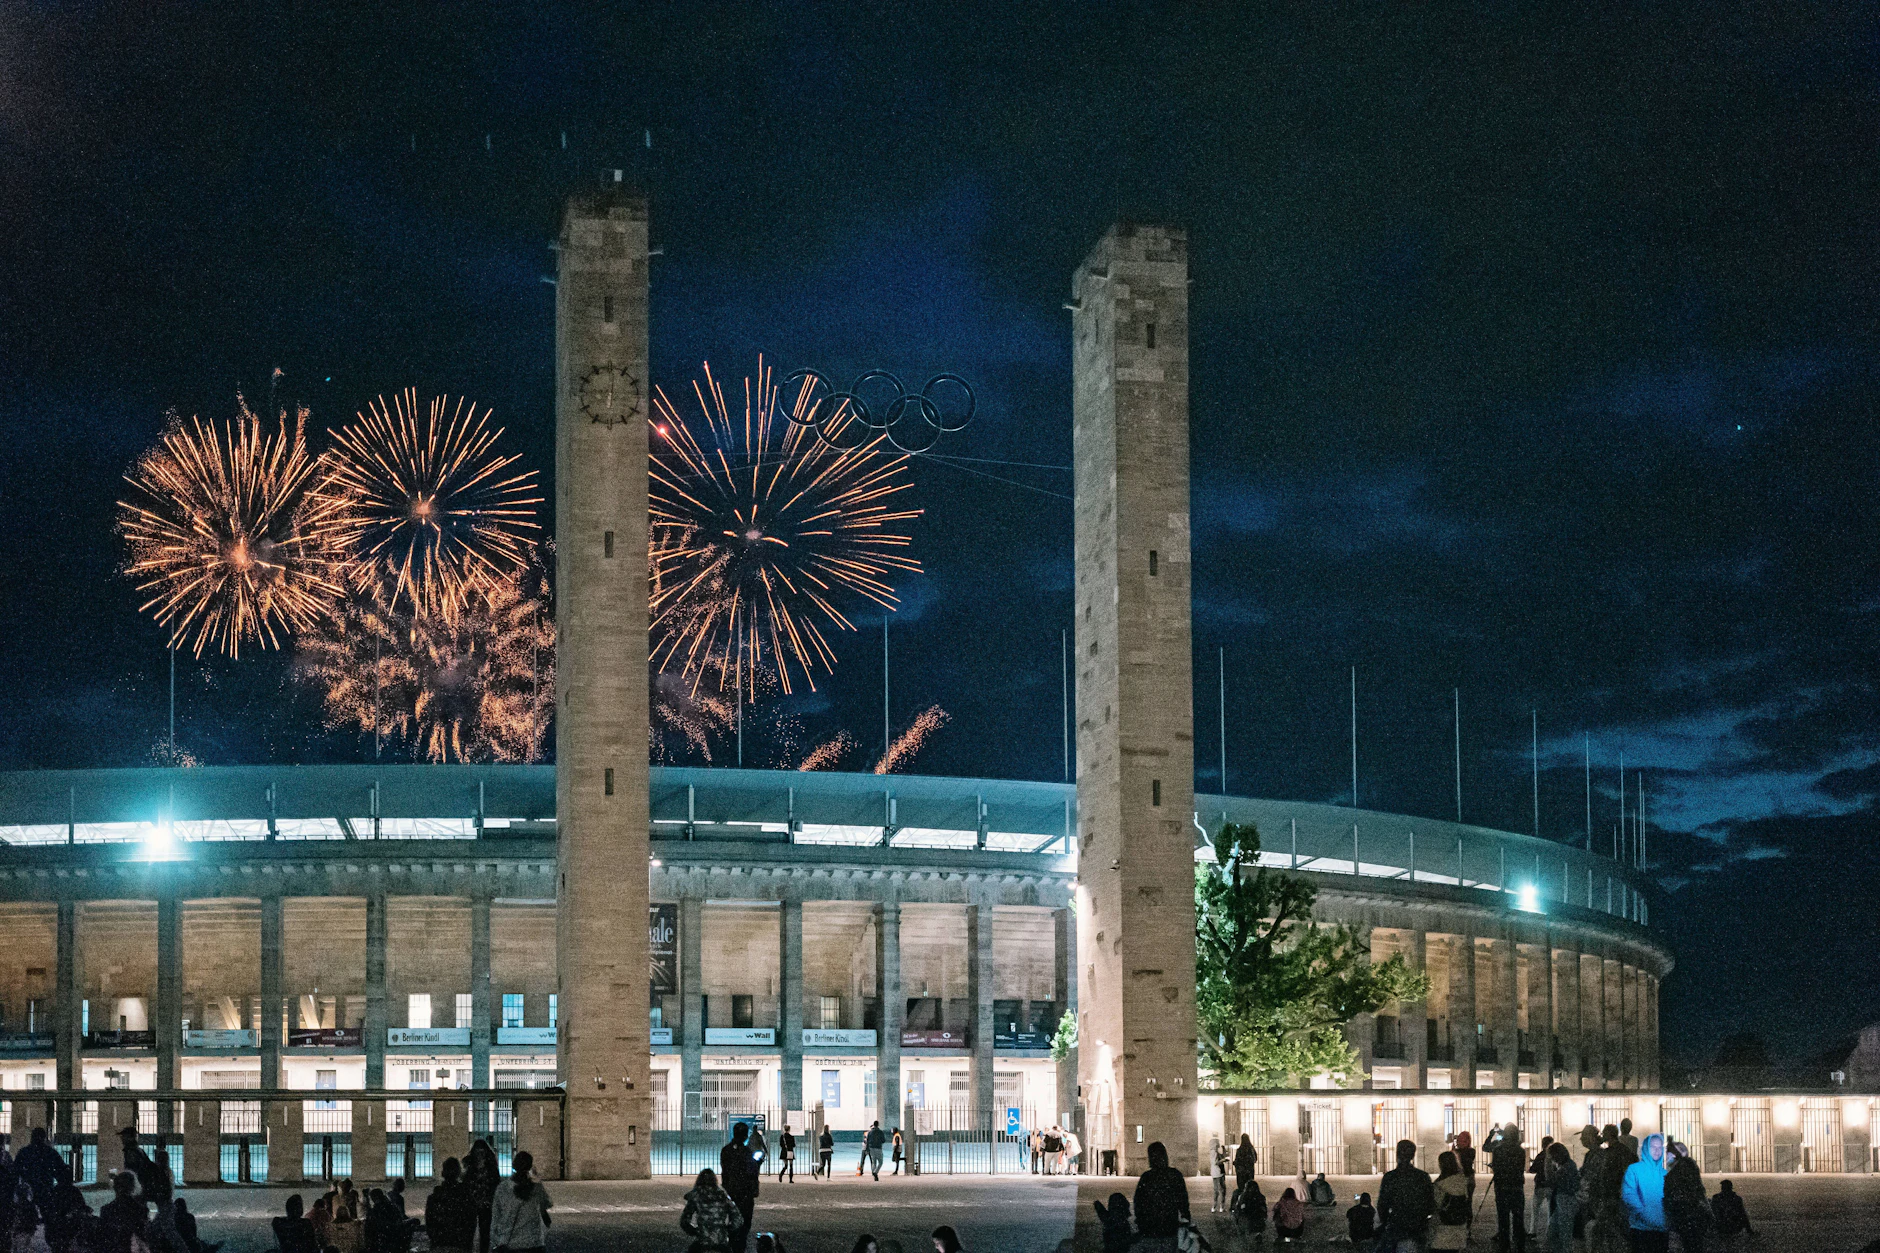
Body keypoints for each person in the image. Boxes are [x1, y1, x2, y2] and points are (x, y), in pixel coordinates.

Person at [1377, 1138, 1436, 1252]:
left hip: (1397, 1223)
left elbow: (1382, 1204)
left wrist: (1385, 1222)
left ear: (1397, 1154)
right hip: (1417, 1224)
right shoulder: (1423, 1176)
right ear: (1413, 1156)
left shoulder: (1390, 1177)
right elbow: (1430, 1203)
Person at [488, 1151, 551, 1253]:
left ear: (513, 1165)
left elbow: (496, 1216)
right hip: (533, 1242)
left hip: (510, 1243)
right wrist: (537, 1178)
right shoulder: (537, 1188)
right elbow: (547, 1204)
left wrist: (496, 1240)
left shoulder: (503, 1188)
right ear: (530, 1166)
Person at [1132, 1141, 1191, 1247]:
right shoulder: (1175, 1175)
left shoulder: (1146, 1178)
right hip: (1170, 1228)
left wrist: (1141, 1224)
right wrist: (1186, 1220)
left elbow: (1138, 1203)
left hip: (1149, 1231)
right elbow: (1183, 1202)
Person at [1620, 1133, 1669, 1253]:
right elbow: (1629, 1195)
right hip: (1641, 1229)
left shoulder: (1665, 1174)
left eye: (1660, 1147)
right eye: (1653, 1147)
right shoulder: (1634, 1170)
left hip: (1661, 1230)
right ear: (1646, 1148)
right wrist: (1646, 1215)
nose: (1657, 1151)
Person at [1486, 1122, 1528, 1253]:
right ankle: (1519, 1244)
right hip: (1516, 1186)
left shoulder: (1498, 1149)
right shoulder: (1520, 1151)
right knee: (1518, 1217)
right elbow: (1520, 1168)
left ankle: (1504, 1244)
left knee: (1503, 1218)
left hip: (1502, 1187)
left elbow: (1496, 1166)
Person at [719, 1123, 762, 1250]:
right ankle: (739, 1246)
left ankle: (732, 1242)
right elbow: (751, 1172)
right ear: (744, 1136)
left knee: (733, 1220)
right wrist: (758, 1163)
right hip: (744, 1193)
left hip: (731, 1191)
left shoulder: (726, 1150)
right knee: (744, 1223)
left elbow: (725, 1170)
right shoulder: (746, 1152)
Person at [1663, 1141, 1710, 1253]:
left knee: (1687, 1239)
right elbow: (1699, 1188)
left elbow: (1669, 1190)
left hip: (1683, 1209)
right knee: (1694, 1242)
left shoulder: (1677, 1169)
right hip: (1692, 1208)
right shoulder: (1690, 1164)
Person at [424, 1158, 479, 1253]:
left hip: (440, 1244)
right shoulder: (466, 1196)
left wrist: (436, 1238)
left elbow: (430, 1222)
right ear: (458, 1173)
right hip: (460, 1244)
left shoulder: (435, 1197)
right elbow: (471, 1222)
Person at [679, 1168, 740, 1253]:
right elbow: (737, 1217)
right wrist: (728, 1229)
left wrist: (694, 1231)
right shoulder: (722, 1196)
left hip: (703, 1239)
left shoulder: (696, 1196)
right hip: (720, 1240)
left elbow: (684, 1220)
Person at [1431, 1150, 1472, 1252]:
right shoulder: (1462, 1181)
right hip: (1460, 1230)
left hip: (1443, 1232)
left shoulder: (1440, 1185)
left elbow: (1435, 1206)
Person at [97, 1173, 148, 1253]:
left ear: (115, 1188)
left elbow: (103, 1238)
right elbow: (143, 1236)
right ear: (132, 1187)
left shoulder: (106, 1210)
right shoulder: (140, 1209)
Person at [464, 1141, 500, 1253]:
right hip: (478, 1203)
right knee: (475, 1230)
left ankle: (481, 1250)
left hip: (482, 1203)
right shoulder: (489, 1167)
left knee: (483, 1231)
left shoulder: (473, 1167)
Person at [17, 1129, 67, 1207]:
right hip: (46, 1188)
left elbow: (16, 1170)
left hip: (28, 1189)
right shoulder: (51, 1152)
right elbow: (61, 1170)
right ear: (44, 1138)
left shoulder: (24, 1152)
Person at [1545, 1142, 1580, 1253]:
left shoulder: (1567, 1167)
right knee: (1556, 1231)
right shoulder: (1568, 1165)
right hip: (1564, 1201)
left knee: (1563, 1233)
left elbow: (1552, 1180)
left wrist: (1547, 1164)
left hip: (1567, 1201)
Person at [1528, 1136, 1554, 1239]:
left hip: (1539, 1185)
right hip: (1550, 1185)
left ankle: (1532, 1231)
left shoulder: (1540, 1156)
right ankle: (1550, 1231)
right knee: (1550, 1210)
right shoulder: (1553, 1156)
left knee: (1535, 1209)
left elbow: (1532, 1169)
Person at [1232, 1134, 1258, 1209]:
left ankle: (1241, 1203)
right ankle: (1250, 1203)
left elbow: (1237, 1161)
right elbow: (1255, 1159)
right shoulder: (1251, 1149)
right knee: (1249, 1186)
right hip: (1249, 1171)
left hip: (1241, 1173)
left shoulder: (1240, 1150)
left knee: (1241, 1188)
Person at [1209, 1138, 1228, 1214]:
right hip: (1218, 1173)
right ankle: (1219, 1206)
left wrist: (1224, 1150)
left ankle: (1216, 1206)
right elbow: (1215, 1162)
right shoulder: (1214, 1152)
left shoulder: (1215, 1152)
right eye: (1218, 1143)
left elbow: (1223, 1156)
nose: (1219, 1144)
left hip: (1217, 1173)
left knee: (1217, 1190)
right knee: (1221, 1190)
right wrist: (1223, 1160)